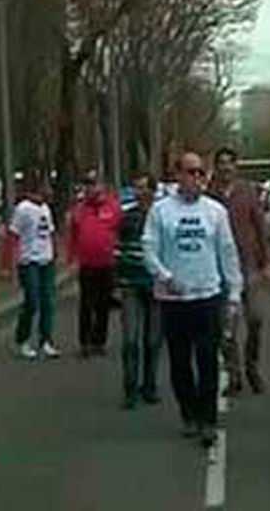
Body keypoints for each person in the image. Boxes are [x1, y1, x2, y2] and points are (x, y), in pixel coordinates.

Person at [142, 151, 242, 448]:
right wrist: (165, 276)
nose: (197, 179)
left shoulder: (215, 212)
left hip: (208, 296)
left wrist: (234, 293)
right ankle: (189, 413)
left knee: (208, 360)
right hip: (175, 299)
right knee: (180, 362)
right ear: (178, 175)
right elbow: (148, 249)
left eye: (201, 173)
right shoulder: (161, 211)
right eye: (191, 172)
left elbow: (227, 252)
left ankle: (208, 420)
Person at [211, 146, 270, 397]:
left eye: (230, 163)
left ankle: (252, 366)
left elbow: (261, 228)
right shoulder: (210, 195)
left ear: (235, 167)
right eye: (221, 163)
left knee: (256, 320)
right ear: (216, 167)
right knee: (227, 327)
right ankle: (234, 373)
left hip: (249, 266)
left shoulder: (248, 193)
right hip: (221, 271)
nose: (226, 167)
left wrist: (268, 261)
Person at [116, 172, 163, 410]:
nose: (139, 192)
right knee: (130, 339)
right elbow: (119, 250)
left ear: (153, 191)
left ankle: (150, 385)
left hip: (156, 286)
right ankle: (130, 389)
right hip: (131, 284)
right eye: (136, 188)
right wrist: (118, 282)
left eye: (144, 188)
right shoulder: (127, 218)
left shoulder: (163, 215)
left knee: (153, 340)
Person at [67, 171, 122, 358]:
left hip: (107, 264)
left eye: (94, 184)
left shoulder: (113, 207)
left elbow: (119, 232)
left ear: (102, 186)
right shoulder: (79, 209)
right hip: (87, 264)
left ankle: (99, 341)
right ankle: (84, 342)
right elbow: (73, 235)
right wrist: (71, 258)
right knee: (86, 304)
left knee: (103, 304)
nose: (91, 188)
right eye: (88, 185)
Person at [9, 177, 60, 360]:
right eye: (47, 189)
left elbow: (50, 232)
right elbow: (13, 236)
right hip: (29, 261)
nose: (50, 192)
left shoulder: (46, 209)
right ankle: (23, 339)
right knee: (32, 301)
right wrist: (10, 264)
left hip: (46, 261)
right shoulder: (22, 209)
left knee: (48, 302)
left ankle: (46, 340)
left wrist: (55, 253)